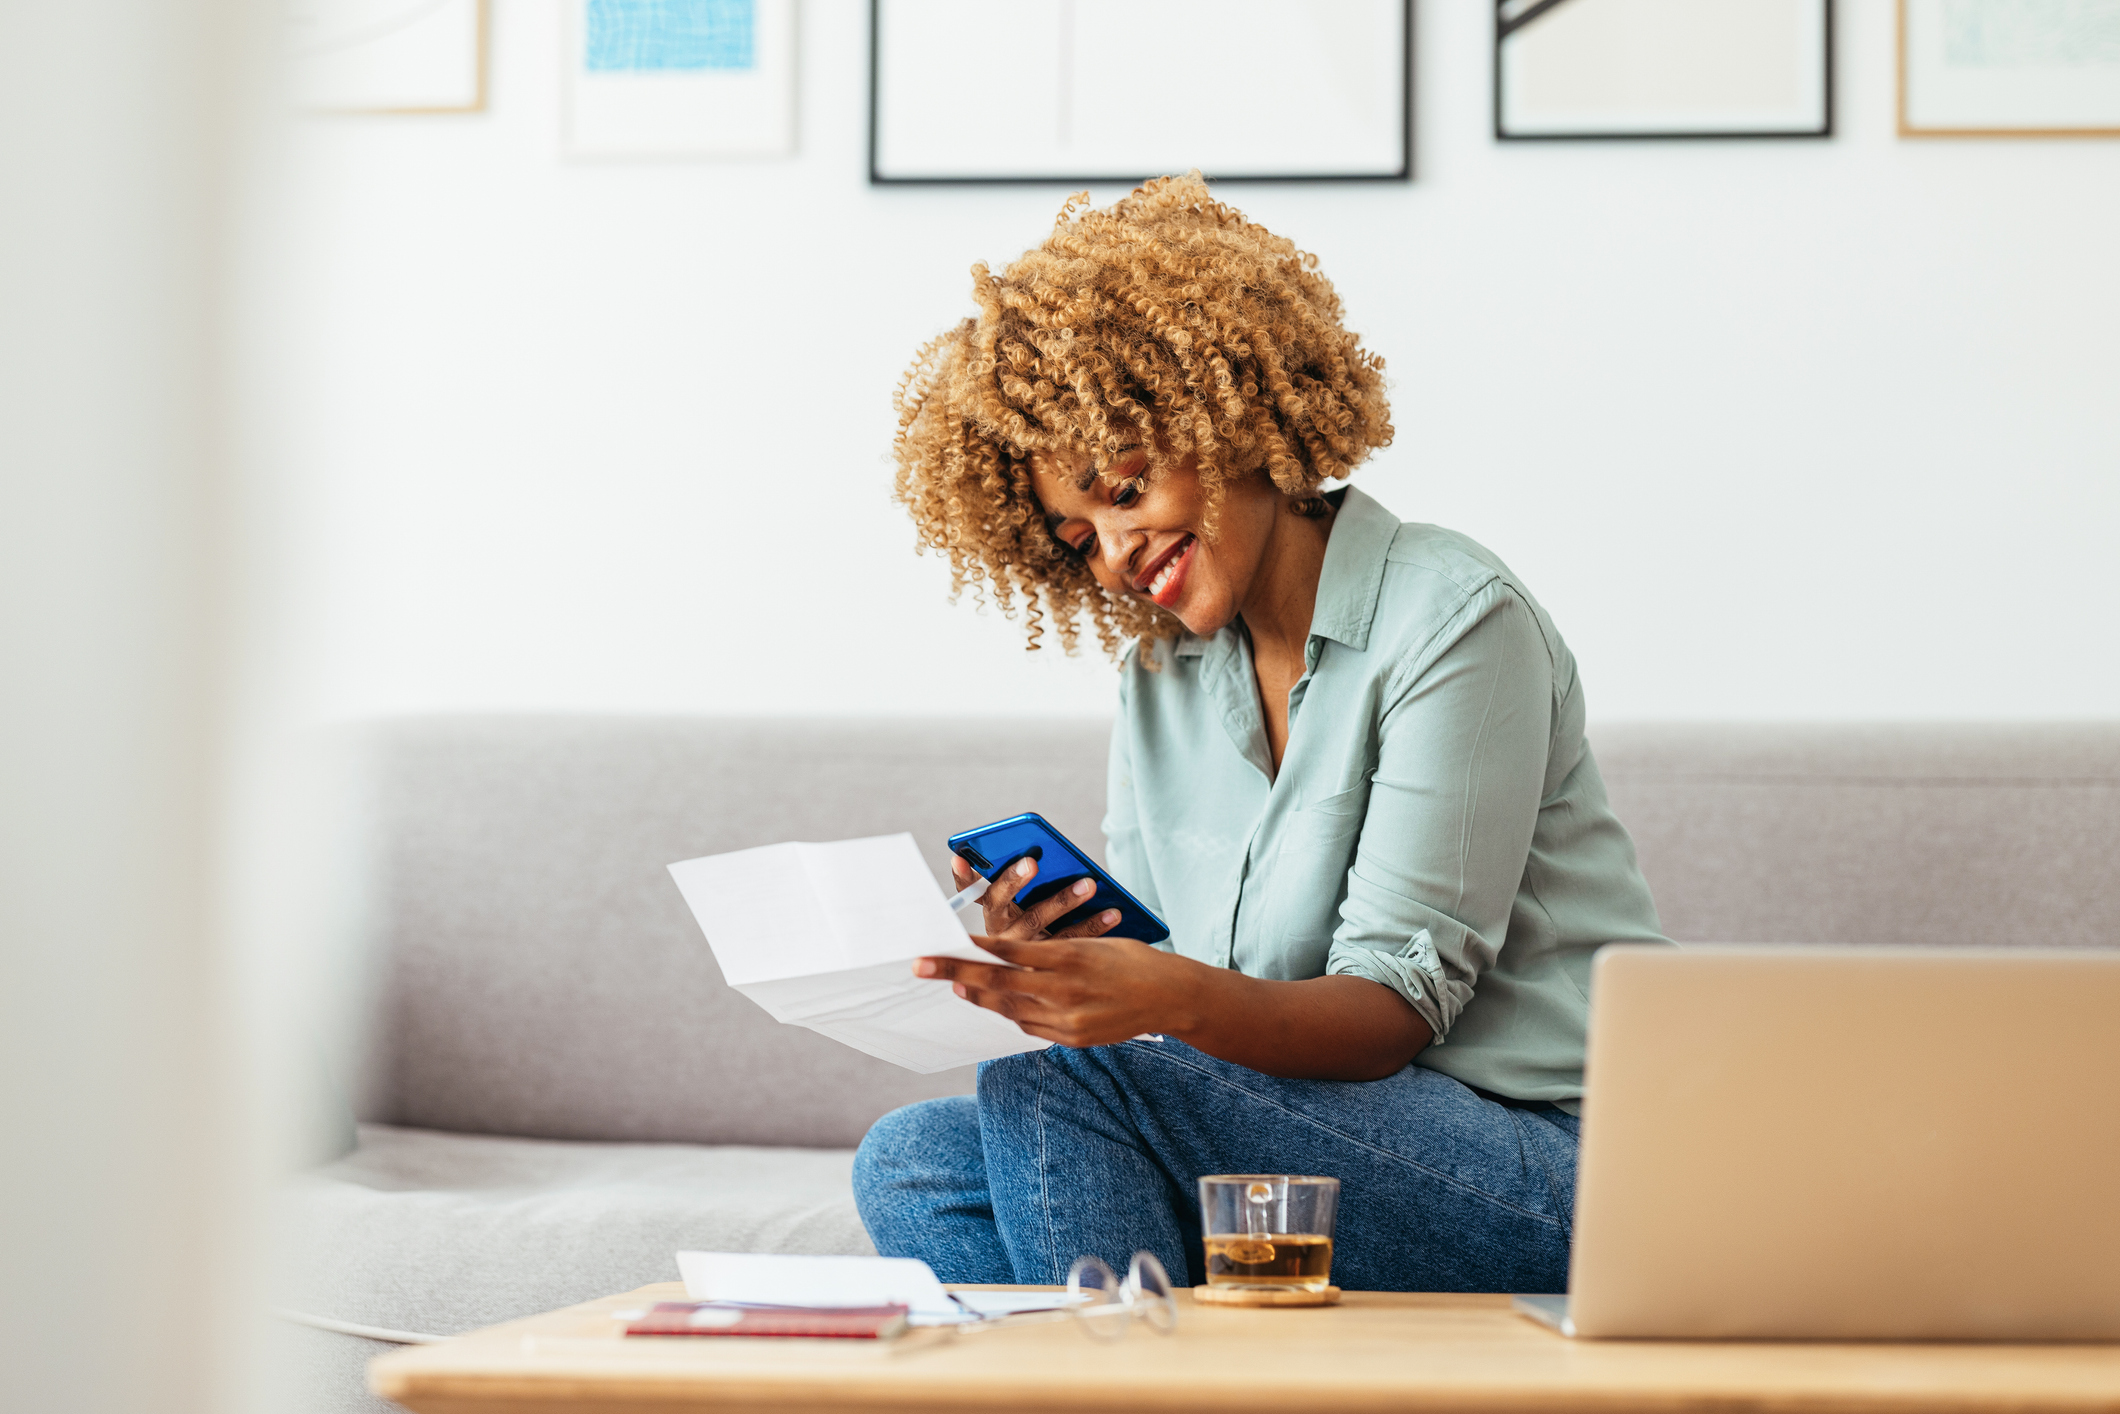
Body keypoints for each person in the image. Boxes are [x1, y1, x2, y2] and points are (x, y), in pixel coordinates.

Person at [853, 174, 1669, 1295]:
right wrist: (1062, 955)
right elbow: (1177, 1002)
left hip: (1563, 1169)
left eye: (1126, 489)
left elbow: (1384, 1018)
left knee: (1069, 1089)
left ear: (1225, 415)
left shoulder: (1453, 618)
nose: (1115, 553)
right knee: (910, 1159)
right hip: (1304, 1149)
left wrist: (1149, 999)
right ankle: (1148, 1362)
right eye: (1077, 537)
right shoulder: (1161, 674)